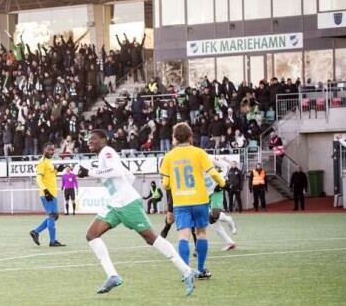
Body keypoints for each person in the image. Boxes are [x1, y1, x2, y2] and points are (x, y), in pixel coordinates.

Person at [79, 130, 197, 296]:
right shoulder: (103, 156)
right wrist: (118, 189)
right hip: (115, 205)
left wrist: (89, 173)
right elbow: (129, 176)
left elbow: (116, 172)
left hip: (127, 204)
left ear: (104, 140)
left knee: (151, 238)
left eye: (93, 139)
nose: (89, 142)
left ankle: (187, 271)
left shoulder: (107, 152)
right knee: (92, 234)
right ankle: (112, 276)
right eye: (88, 139)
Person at [160, 121, 226, 279]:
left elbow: (166, 183)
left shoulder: (168, 157)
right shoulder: (199, 153)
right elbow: (213, 173)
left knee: (183, 236)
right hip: (199, 199)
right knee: (201, 233)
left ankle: (186, 272)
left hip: (181, 202)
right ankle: (201, 269)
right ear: (190, 136)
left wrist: (171, 188)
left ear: (174, 138)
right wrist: (223, 183)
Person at [29, 142, 65, 247]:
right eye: (49, 149)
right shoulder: (42, 162)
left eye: (53, 150)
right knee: (52, 215)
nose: (51, 152)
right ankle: (52, 241)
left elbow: (50, 175)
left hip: (52, 193)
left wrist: (57, 171)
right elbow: (38, 178)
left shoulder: (49, 161)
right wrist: (45, 190)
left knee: (55, 216)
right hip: (47, 193)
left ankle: (36, 232)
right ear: (44, 149)